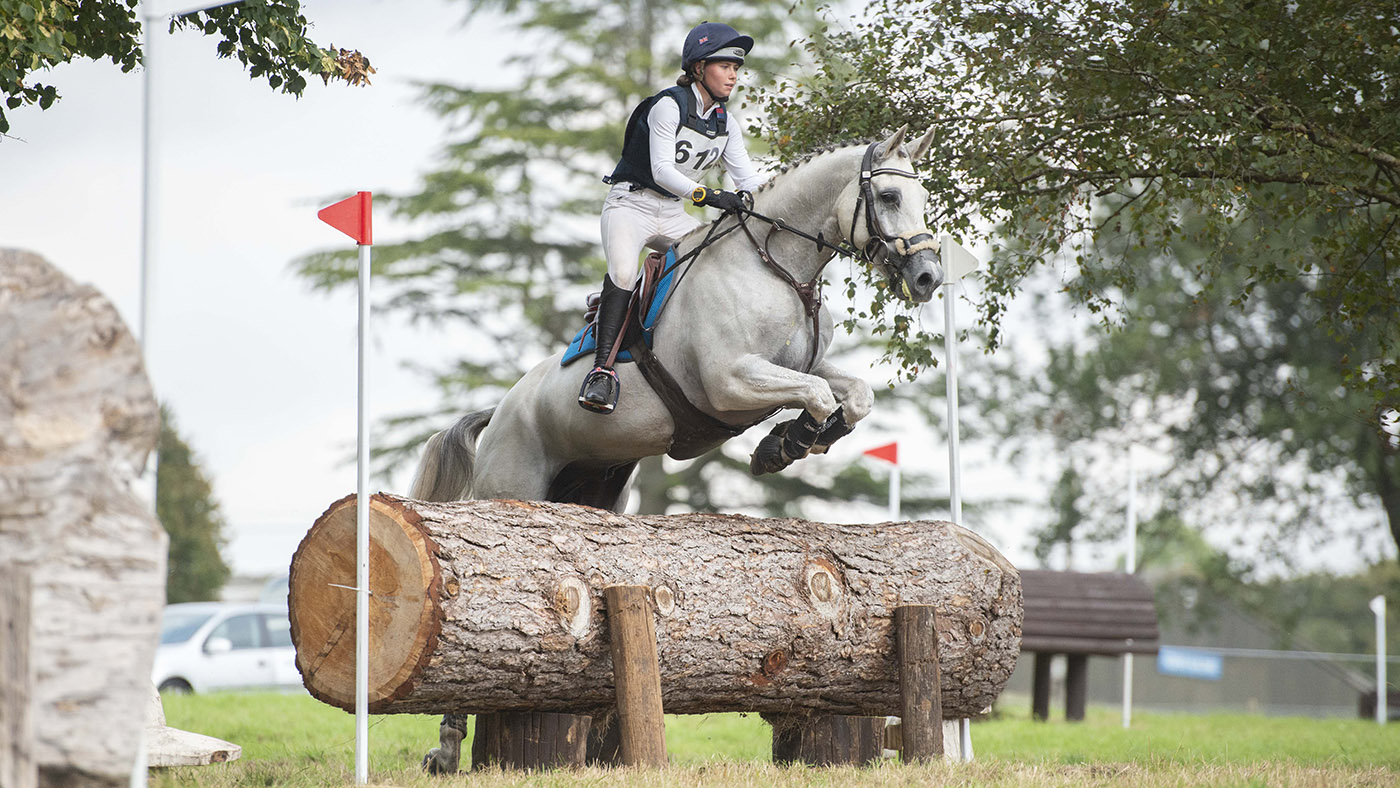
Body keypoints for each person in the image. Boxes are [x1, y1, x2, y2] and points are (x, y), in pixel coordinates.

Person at [578, 21, 767, 414]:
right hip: (630, 205)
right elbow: (662, 171)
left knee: (717, 260)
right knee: (624, 274)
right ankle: (601, 372)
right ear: (698, 68)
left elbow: (747, 178)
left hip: (672, 213)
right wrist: (712, 196)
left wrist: (771, 201)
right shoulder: (668, 105)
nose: (733, 75)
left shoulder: (726, 122)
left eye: (736, 67)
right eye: (724, 66)